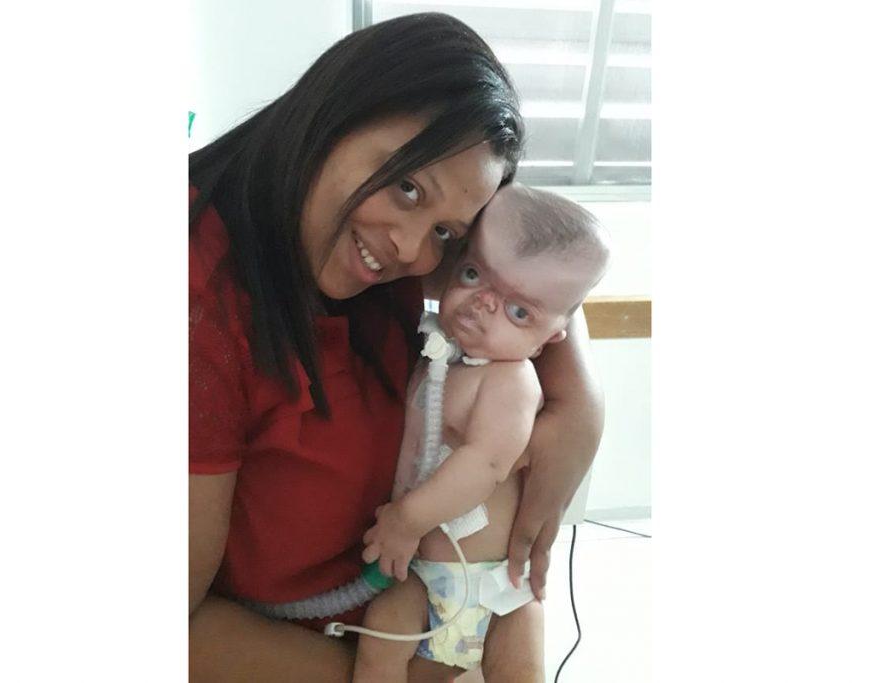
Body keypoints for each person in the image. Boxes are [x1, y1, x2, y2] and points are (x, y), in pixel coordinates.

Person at [188, 13, 605, 682]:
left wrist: (582, 400)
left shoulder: (378, 254)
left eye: (447, 234)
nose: (411, 250)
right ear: (334, 108)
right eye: (407, 187)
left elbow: (537, 267)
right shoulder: (200, 303)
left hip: (417, 617)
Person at [351, 185, 610, 681]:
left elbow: (486, 462)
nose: (482, 304)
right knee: (379, 640)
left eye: (519, 312)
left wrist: (407, 519)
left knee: (516, 671)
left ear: (553, 336)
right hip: (421, 576)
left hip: (496, 584)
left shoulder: (510, 380)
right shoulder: (437, 353)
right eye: (472, 275)